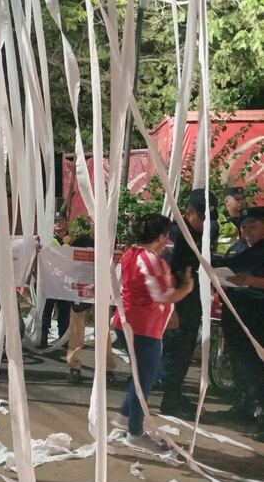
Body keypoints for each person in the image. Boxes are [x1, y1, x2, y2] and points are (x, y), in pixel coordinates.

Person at [111, 213, 194, 452]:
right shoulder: (152, 260)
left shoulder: (130, 254)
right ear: (161, 237)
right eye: (167, 237)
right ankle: (135, 432)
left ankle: (126, 418)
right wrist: (186, 289)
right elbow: (163, 295)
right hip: (143, 327)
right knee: (145, 380)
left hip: (130, 322)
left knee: (145, 376)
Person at [160, 188, 218, 418]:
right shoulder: (177, 235)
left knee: (183, 349)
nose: (206, 224)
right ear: (188, 212)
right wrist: (171, 307)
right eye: (202, 218)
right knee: (175, 349)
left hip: (190, 300)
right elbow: (165, 272)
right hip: (177, 303)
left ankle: (174, 395)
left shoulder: (197, 234)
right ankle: (170, 399)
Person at [217, 206, 264, 441]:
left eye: (253, 226)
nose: (247, 231)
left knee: (259, 368)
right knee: (241, 364)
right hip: (237, 315)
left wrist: (251, 281)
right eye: (244, 227)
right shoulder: (241, 248)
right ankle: (244, 406)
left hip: (258, 317)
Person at [64, 222, 117, 384]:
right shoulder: (80, 241)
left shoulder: (111, 241)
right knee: (77, 329)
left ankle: (107, 368)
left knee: (104, 330)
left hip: (102, 290)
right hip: (82, 290)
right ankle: (74, 365)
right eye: (94, 222)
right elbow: (66, 261)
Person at [39, 212, 72, 349]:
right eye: (55, 221)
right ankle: (43, 339)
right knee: (46, 311)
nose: (58, 223)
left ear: (66, 222)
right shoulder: (47, 239)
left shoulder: (73, 240)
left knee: (64, 312)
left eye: (61, 220)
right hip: (50, 280)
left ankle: (63, 339)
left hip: (65, 281)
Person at [216, 186, 246, 256]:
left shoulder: (248, 219)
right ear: (226, 202)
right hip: (222, 260)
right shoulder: (217, 221)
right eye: (237, 199)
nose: (241, 202)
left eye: (243, 199)